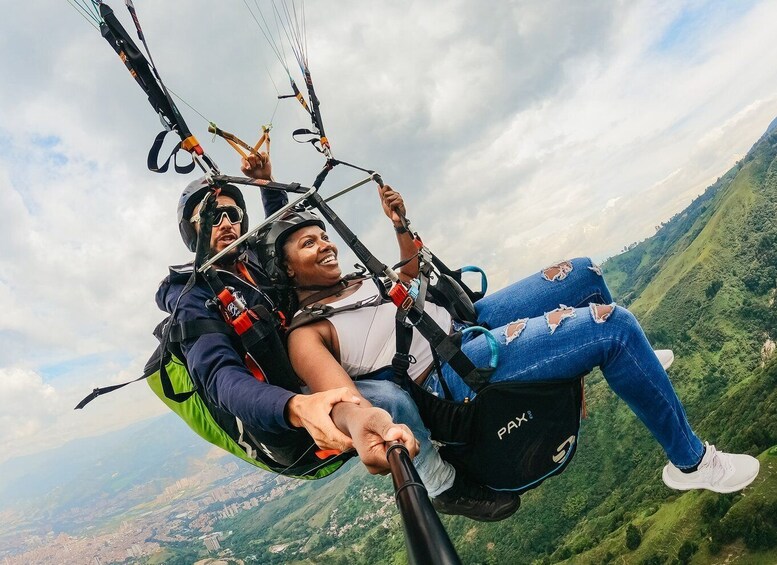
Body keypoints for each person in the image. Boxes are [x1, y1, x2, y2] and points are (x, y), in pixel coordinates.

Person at [264, 183, 760, 510]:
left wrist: (400, 226)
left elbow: (409, 281)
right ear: (287, 271)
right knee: (612, 328)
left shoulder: (357, 281)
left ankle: (639, 367)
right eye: (308, 244)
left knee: (585, 273)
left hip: (463, 325)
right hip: (448, 373)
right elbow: (343, 401)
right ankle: (693, 463)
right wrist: (375, 429)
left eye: (323, 236)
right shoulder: (307, 334)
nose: (325, 245)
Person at [155, 152, 420, 476]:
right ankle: (442, 484)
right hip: (283, 405)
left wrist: (265, 181)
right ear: (192, 229)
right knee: (387, 399)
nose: (225, 223)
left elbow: (283, 234)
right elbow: (220, 379)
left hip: (319, 361)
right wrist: (296, 406)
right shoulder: (191, 296)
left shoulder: (252, 261)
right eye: (212, 215)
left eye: (232, 214)